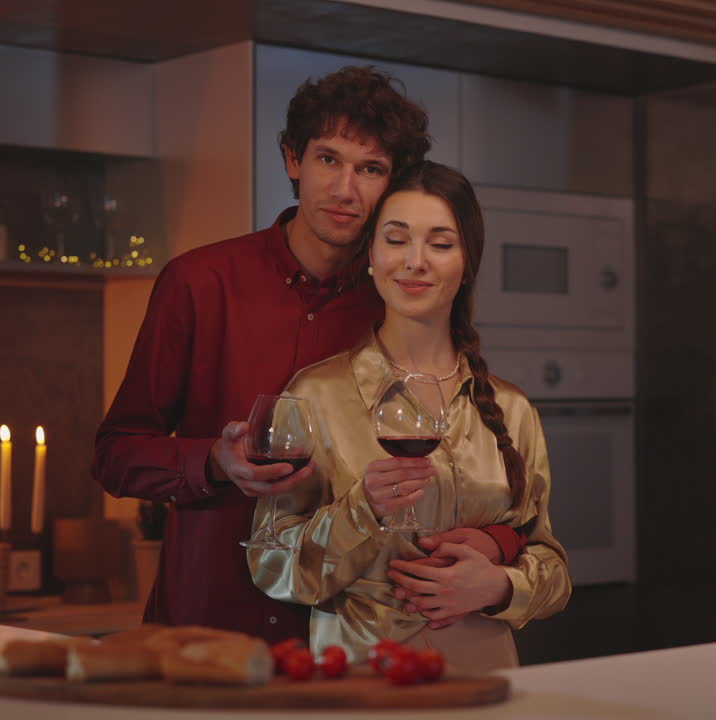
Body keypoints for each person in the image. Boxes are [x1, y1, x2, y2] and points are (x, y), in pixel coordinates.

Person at [93, 67, 523, 642]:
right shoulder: (199, 282)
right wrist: (215, 463)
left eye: (370, 169)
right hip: (209, 624)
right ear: (293, 159)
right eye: (328, 159)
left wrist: (499, 543)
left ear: (392, 183)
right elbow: (116, 454)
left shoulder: (400, 299)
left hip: (349, 636)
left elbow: (463, 466)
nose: (346, 190)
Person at [248, 161, 571, 673]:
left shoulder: (511, 409)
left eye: (440, 244)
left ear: (466, 263)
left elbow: (552, 567)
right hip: (361, 677)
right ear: (372, 258)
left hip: (486, 675)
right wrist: (361, 512)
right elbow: (273, 569)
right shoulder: (315, 394)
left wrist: (499, 585)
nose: (415, 261)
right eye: (396, 240)